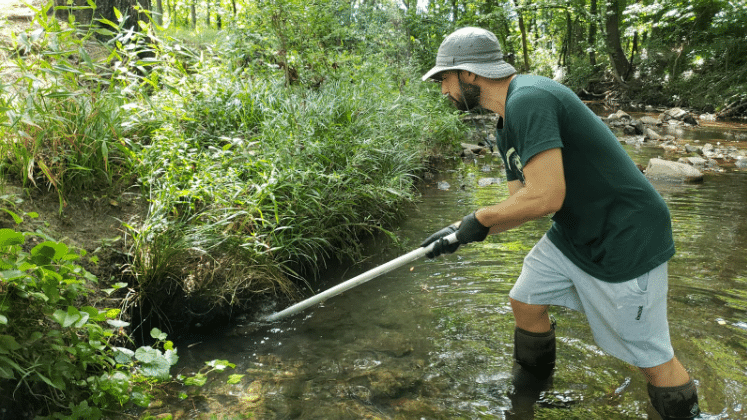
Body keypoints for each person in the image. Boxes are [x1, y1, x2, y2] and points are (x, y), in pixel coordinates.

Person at [419, 26, 700, 420]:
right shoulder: (505, 125)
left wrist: (478, 219)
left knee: (650, 357)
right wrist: (458, 233)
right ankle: (529, 397)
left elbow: (548, 196)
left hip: (625, 235)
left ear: (469, 73)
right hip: (574, 233)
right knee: (526, 300)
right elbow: (523, 201)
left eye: (444, 78)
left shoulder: (530, 99)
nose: (443, 89)